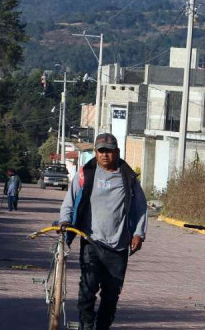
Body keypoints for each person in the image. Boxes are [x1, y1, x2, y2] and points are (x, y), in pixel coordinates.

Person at [59, 133, 147, 330]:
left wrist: (139, 233)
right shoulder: (86, 174)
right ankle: (86, 326)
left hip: (118, 245)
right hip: (91, 241)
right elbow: (69, 201)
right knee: (87, 290)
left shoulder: (128, 177)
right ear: (96, 153)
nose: (106, 155)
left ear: (117, 152)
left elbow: (141, 207)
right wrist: (65, 220)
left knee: (111, 294)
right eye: (102, 151)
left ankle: (102, 326)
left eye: (110, 151)